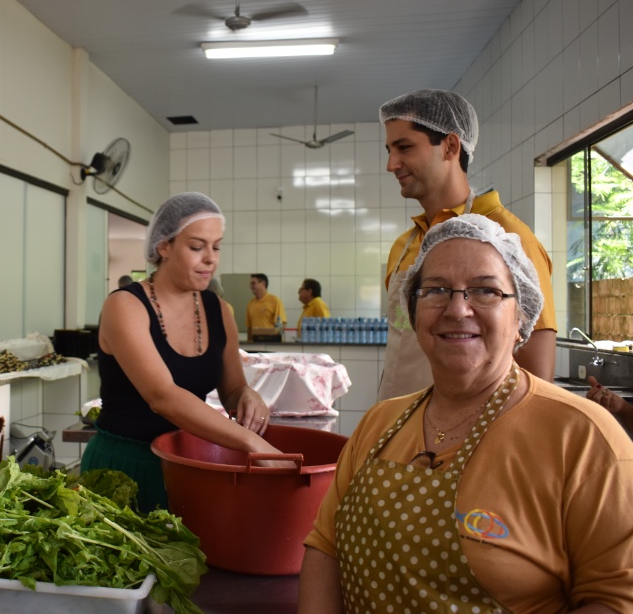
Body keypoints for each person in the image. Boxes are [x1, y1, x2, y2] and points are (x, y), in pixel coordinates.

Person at [298, 214, 633, 613]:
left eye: (485, 291)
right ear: (415, 310)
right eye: (436, 290)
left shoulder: (583, 437)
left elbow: (614, 599)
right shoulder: (378, 424)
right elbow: (325, 548)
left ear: (521, 314)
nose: (458, 310)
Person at [81, 193, 289, 512]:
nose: (211, 259)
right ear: (163, 246)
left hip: (185, 459)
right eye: (196, 247)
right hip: (123, 467)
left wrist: (248, 395)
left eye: (216, 246)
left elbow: (232, 389)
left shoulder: (217, 310)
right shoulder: (124, 306)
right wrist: (252, 442)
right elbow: (162, 395)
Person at [378, 88, 557, 401]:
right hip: (401, 427)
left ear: (450, 146)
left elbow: (538, 376)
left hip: (475, 437)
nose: (391, 164)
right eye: (389, 150)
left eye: (404, 148)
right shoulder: (404, 246)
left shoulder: (511, 238)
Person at [246, 273, 286, 341]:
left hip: (271, 343)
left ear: (263, 283)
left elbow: (282, 325)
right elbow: (250, 328)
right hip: (255, 343)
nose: (251, 286)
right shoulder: (251, 303)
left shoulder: (274, 301)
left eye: (253, 283)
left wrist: (277, 341)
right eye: (251, 284)